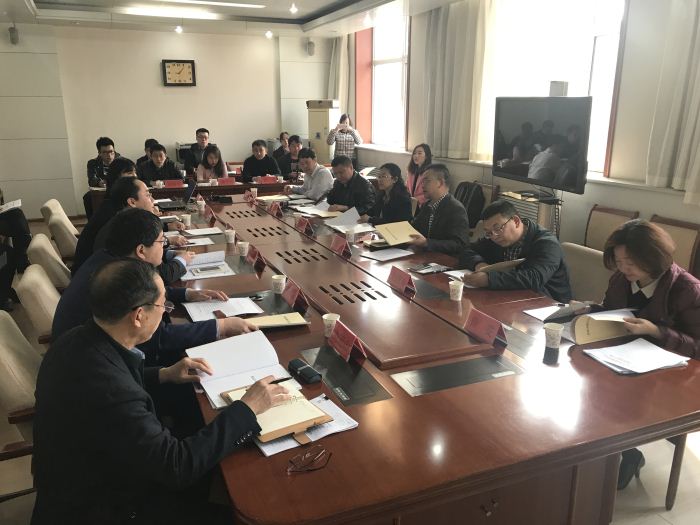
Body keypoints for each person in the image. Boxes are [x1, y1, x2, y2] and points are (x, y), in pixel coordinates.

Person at [33, 257, 290, 524]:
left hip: (79, 476)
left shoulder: (75, 340)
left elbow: (111, 383)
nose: (164, 311)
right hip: (106, 508)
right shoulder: (114, 392)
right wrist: (247, 409)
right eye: (162, 305)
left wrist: (164, 373)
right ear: (139, 316)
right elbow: (177, 466)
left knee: (194, 424)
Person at [54, 208, 253, 363]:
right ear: (141, 250)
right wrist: (222, 326)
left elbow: (143, 293)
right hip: (94, 362)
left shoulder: (110, 260)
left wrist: (187, 294)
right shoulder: (119, 278)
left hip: (83, 350)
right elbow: (158, 337)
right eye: (161, 242)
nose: (164, 247)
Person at [601, 220, 700, 490]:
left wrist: (656, 331)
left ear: (653, 258)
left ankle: (625, 452)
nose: (624, 268)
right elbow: (610, 311)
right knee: (590, 384)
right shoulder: (621, 279)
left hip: (675, 374)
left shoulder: (687, 290)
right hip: (626, 359)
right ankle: (620, 452)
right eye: (619, 261)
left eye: (631, 262)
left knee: (616, 397)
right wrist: (590, 312)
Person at [456, 200, 571, 302]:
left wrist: (489, 279)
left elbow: (534, 278)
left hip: (548, 305)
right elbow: (466, 250)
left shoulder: (547, 243)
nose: (494, 236)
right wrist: (479, 264)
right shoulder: (495, 238)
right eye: (489, 232)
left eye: (498, 228)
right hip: (510, 298)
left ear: (516, 221)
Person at [88, 177, 191, 284]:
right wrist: (182, 260)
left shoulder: (123, 220)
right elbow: (161, 276)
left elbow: (146, 252)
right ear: (132, 202)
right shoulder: (128, 228)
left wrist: (169, 253)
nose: (153, 200)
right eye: (148, 195)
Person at [72, 158, 138, 274]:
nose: (135, 176)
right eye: (129, 173)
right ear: (116, 178)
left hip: (94, 268)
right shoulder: (114, 211)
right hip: (93, 274)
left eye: (134, 172)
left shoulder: (111, 203)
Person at [407, 164, 470, 256]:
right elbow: (414, 228)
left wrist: (426, 243)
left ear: (440, 183)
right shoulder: (426, 205)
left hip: (445, 259)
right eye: (422, 181)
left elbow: (459, 244)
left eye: (426, 181)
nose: (422, 185)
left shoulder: (456, 209)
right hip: (425, 256)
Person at [84, 136, 119, 218]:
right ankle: (92, 222)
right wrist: (99, 182)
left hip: (118, 189)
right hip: (102, 191)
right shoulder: (93, 163)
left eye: (111, 151)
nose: (109, 155)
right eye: (105, 152)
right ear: (99, 153)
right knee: (87, 197)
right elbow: (91, 180)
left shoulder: (121, 161)